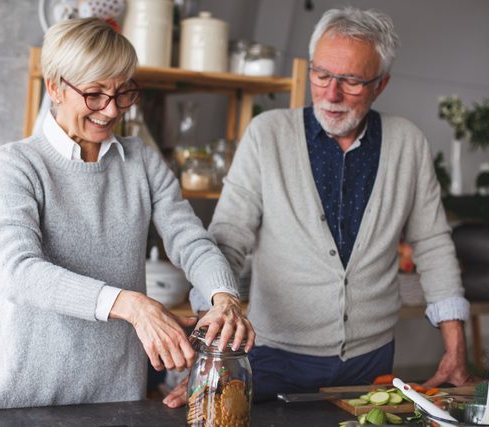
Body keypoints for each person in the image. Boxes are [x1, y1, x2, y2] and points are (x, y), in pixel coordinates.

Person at [163, 6, 470, 406]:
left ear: (381, 84)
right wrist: (211, 350)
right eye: (321, 74)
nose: (331, 94)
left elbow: (433, 242)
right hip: (274, 356)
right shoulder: (268, 135)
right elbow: (228, 239)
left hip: (370, 360)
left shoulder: (407, 143)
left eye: (352, 82)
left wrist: (455, 345)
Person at [0, 17, 254, 410]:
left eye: (123, 93)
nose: (111, 110)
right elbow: (16, 271)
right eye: (94, 94)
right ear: (54, 86)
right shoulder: (17, 164)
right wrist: (132, 305)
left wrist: (224, 297)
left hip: (117, 392)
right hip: (28, 390)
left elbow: (190, 239)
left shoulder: (140, 161)